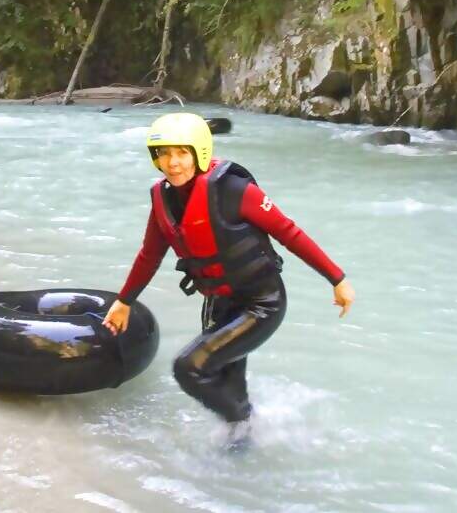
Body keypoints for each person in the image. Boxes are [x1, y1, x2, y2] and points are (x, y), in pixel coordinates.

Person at [103, 113, 356, 450]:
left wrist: (337, 279)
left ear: (199, 153)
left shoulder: (235, 190)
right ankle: (240, 453)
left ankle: (244, 420)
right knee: (226, 378)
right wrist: (124, 301)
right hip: (219, 303)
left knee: (189, 367)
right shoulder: (162, 198)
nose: (173, 163)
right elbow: (149, 254)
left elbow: (288, 232)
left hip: (261, 303)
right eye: (164, 154)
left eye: (182, 153)